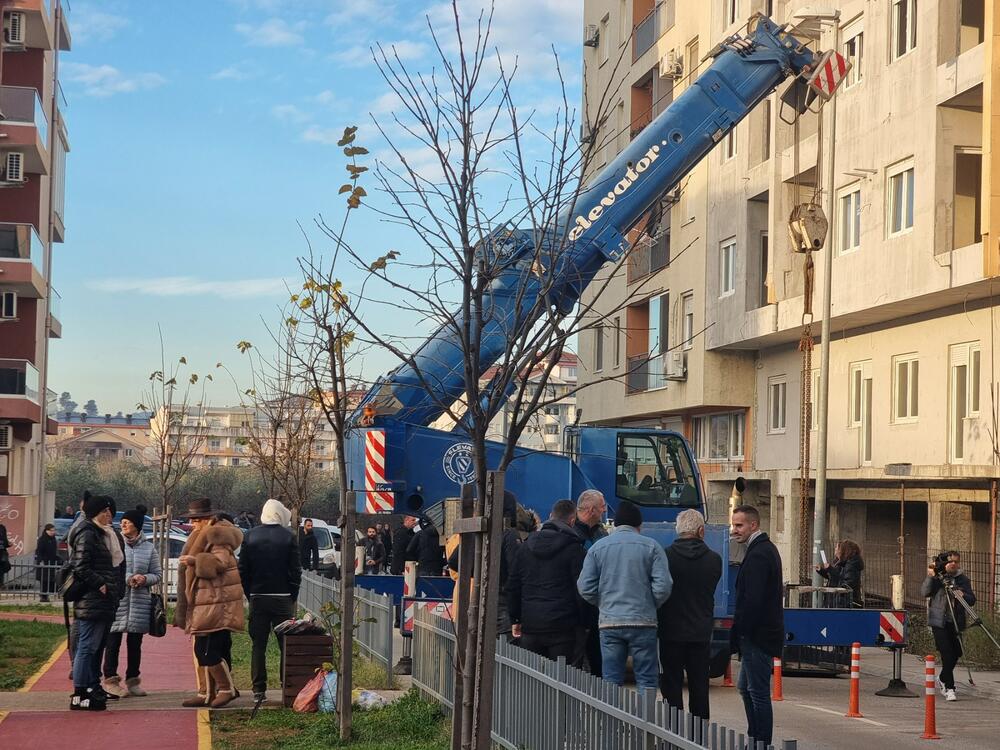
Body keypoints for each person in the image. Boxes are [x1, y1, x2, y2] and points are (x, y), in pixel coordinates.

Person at [577, 501, 672, 692]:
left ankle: (613, 720)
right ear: (639, 525)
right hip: (643, 621)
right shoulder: (652, 547)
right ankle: (645, 720)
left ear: (616, 524)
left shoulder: (598, 548)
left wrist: (603, 602)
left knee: (611, 678)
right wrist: (650, 604)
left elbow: (585, 586)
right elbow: (664, 586)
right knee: (646, 678)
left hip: (610, 622)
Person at [174, 497, 244, 709]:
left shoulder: (217, 536)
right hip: (207, 601)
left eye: (196, 519)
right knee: (204, 648)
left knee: (207, 651)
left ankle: (226, 689)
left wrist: (194, 561)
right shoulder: (201, 535)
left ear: (207, 519)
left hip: (215, 602)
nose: (193, 523)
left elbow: (221, 563)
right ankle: (206, 692)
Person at [657, 509, 722, 721]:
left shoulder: (665, 556)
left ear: (678, 530)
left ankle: (673, 737)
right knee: (699, 688)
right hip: (700, 632)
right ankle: (698, 737)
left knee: (671, 686)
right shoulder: (714, 560)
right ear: (701, 531)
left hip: (670, 631)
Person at [730, 505, 784, 747]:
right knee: (746, 688)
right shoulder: (759, 550)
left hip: (758, 636)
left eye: (739, 525)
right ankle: (755, 738)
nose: (734, 530)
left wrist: (742, 632)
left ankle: (761, 741)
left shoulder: (760, 553)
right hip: (756, 634)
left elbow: (753, 599)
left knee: (758, 692)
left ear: (753, 525)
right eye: (733, 525)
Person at [238, 498, 301, 703]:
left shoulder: (250, 536)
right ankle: (287, 687)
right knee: (286, 644)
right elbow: (295, 572)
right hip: (283, 597)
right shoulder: (289, 536)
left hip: (258, 597)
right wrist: (292, 595)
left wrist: (250, 594)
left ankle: (258, 690)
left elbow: (243, 571)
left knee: (259, 645)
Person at [507, 499, 586, 662]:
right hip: (564, 628)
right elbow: (581, 590)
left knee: (533, 682)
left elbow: (514, 585)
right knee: (564, 681)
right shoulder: (575, 549)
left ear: (550, 516)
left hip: (531, 626)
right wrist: (585, 621)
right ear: (572, 521)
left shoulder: (525, 547)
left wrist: (515, 618)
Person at [67, 493, 125, 711]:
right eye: (104, 512)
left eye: (109, 511)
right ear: (94, 514)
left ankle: (92, 686)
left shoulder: (105, 534)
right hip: (91, 600)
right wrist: (100, 583)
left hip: (105, 599)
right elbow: (80, 566)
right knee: (86, 647)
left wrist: (115, 590)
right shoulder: (87, 533)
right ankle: (80, 691)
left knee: (96, 646)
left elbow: (116, 566)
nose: (109, 515)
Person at [101, 505, 161, 698]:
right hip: (119, 599)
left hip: (140, 601)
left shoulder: (149, 547)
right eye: (123, 522)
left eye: (128, 522)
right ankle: (110, 679)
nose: (124, 524)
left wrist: (145, 579)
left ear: (138, 525)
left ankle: (133, 680)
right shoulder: (115, 542)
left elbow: (157, 574)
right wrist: (129, 578)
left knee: (135, 644)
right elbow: (111, 569)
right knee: (113, 642)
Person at [922, 551, 976, 702]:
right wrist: (930, 577)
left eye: (956, 561)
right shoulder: (937, 578)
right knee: (947, 654)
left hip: (956, 622)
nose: (953, 564)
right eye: (950, 561)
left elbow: (972, 600)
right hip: (939, 622)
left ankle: (942, 677)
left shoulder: (962, 579)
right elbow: (925, 592)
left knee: (957, 653)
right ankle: (950, 688)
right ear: (944, 564)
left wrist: (963, 594)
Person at [575, 489, 608, 676]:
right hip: (578, 610)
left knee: (597, 664)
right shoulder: (574, 536)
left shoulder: (600, 534)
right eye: (602, 507)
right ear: (591, 510)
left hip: (596, 611)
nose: (604, 510)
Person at [816, 539, 865, 607]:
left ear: (843, 550)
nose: (835, 549)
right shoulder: (840, 562)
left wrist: (830, 569)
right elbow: (833, 576)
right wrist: (822, 570)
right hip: (838, 599)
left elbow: (845, 581)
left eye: (837, 547)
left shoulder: (850, 564)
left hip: (844, 600)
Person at [35, 523, 60, 602]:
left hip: (51, 562)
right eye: (51, 530)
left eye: (54, 530)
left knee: (51, 579)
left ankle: (48, 594)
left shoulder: (53, 540)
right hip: (44, 562)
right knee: (44, 580)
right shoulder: (43, 540)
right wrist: (41, 561)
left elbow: (54, 552)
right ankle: (43, 596)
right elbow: (39, 551)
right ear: (46, 531)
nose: (53, 532)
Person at [0, 522, 10, 587]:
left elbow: (5, 541)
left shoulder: (2, 527)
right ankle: (1, 583)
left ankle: (1, 583)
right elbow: (5, 541)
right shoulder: (2, 527)